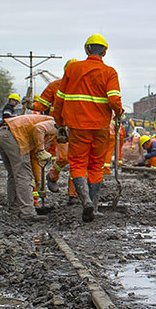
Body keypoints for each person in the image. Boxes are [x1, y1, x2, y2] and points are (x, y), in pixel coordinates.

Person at [53, 34, 124, 222]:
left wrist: (59, 123)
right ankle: (94, 204)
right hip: (100, 126)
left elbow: (59, 99)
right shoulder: (110, 72)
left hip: (76, 126)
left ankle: (85, 201)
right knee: (96, 164)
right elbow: (113, 99)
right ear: (105, 52)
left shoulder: (72, 69)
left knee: (77, 163)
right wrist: (119, 113)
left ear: (86, 50)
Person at [0, 113, 56, 221]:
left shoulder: (46, 127)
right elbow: (38, 129)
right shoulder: (54, 124)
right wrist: (41, 150)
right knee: (23, 175)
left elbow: (35, 160)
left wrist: (39, 183)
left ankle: (14, 209)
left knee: (13, 174)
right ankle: (27, 212)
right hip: (14, 136)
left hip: (2, 134)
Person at [35, 59, 78, 197]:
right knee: (64, 157)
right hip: (59, 128)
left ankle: (73, 195)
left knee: (76, 161)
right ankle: (52, 176)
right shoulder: (55, 86)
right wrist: (32, 105)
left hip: (77, 127)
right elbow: (42, 105)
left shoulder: (82, 87)